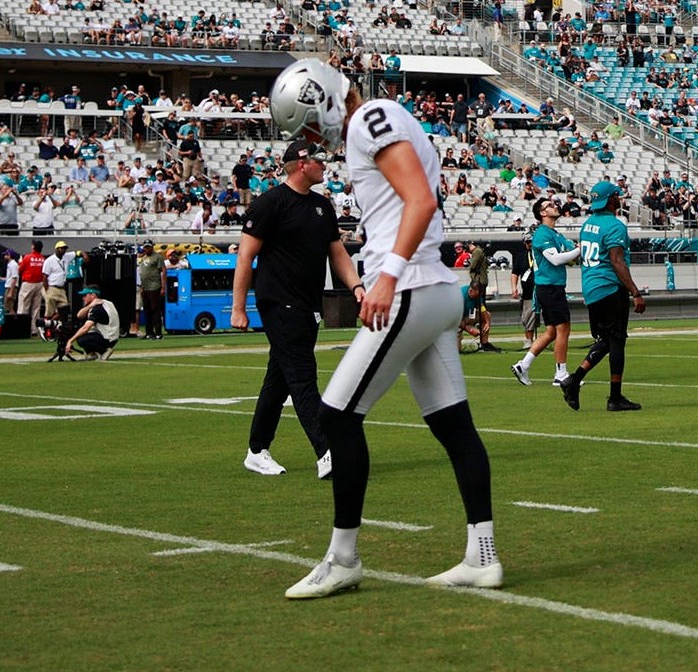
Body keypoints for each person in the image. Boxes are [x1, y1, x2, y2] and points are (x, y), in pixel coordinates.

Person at [270, 59, 502, 598]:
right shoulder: (376, 119)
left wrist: (387, 277)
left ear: (322, 101)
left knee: (336, 416)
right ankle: (482, 555)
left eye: (305, 125)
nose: (309, 140)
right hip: (433, 287)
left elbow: (419, 199)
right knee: (453, 426)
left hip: (412, 287)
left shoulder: (369, 117)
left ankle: (343, 558)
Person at [231, 139, 364, 479]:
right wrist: (238, 307)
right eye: (319, 160)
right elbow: (245, 256)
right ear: (302, 164)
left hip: (306, 305)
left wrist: (358, 287)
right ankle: (327, 452)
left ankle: (257, 450)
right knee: (303, 379)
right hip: (279, 302)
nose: (325, 166)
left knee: (278, 381)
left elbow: (337, 253)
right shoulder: (271, 203)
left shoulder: (322, 205)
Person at [559, 181, 646, 411]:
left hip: (591, 288)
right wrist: (635, 292)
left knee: (606, 341)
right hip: (609, 287)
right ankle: (614, 398)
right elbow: (617, 261)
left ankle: (573, 381)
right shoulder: (615, 226)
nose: (620, 199)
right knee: (617, 341)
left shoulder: (587, 224)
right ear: (610, 200)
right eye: (617, 196)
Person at [511, 199, 581, 387]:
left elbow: (569, 255)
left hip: (551, 286)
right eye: (549, 205)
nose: (555, 206)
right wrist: (578, 250)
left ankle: (523, 366)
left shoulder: (554, 234)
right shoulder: (542, 234)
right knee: (563, 328)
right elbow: (557, 259)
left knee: (551, 332)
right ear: (542, 213)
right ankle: (561, 374)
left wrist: (574, 253)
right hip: (549, 287)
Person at [64, 286, 119, 360]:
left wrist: (70, 341)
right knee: (81, 330)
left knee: (81, 338)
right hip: (112, 337)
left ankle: (104, 351)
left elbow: (86, 328)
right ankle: (92, 353)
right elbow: (79, 315)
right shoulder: (107, 303)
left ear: (93, 295)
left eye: (85, 295)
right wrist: (90, 306)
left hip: (107, 339)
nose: (83, 298)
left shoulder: (98, 309)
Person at [42, 240, 80, 324]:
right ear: (56, 249)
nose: (63, 250)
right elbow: (44, 276)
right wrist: (47, 290)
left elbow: (77, 252)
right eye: (61, 248)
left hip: (61, 288)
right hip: (52, 287)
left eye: (64, 248)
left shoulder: (66, 256)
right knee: (49, 311)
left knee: (64, 310)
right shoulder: (49, 260)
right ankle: (45, 327)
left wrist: (83, 254)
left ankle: (52, 324)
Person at [138, 239, 165, 339]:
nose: (147, 248)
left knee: (155, 310)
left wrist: (163, 286)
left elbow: (163, 271)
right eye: (145, 247)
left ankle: (158, 332)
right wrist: (141, 286)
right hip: (145, 287)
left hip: (154, 286)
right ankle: (149, 332)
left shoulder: (157, 257)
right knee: (147, 310)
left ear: (152, 247)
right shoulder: (144, 257)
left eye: (148, 247)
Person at [18, 239, 46, 323]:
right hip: (39, 284)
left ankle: (22, 328)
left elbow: (20, 269)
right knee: (36, 308)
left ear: (33, 247)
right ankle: (34, 330)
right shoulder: (43, 259)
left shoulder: (27, 257)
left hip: (28, 284)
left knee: (23, 307)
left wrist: (19, 262)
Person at [2, 248, 20, 315]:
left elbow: (14, 278)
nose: (4, 256)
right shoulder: (10, 264)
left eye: (6, 255)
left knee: (9, 308)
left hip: (11, 288)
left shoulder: (13, 265)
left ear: (9, 255)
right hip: (9, 287)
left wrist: (10, 292)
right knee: (8, 307)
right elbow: (10, 278)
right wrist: (1, 278)